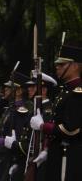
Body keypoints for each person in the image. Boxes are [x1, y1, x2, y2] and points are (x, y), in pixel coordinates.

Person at [30, 42, 81, 180]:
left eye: (62, 65)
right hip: (57, 152)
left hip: (70, 155)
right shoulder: (64, 91)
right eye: (58, 64)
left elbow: (69, 129)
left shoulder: (77, 93)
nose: (57, 67)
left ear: (75, 66)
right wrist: (46, 148)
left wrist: (42, 126)